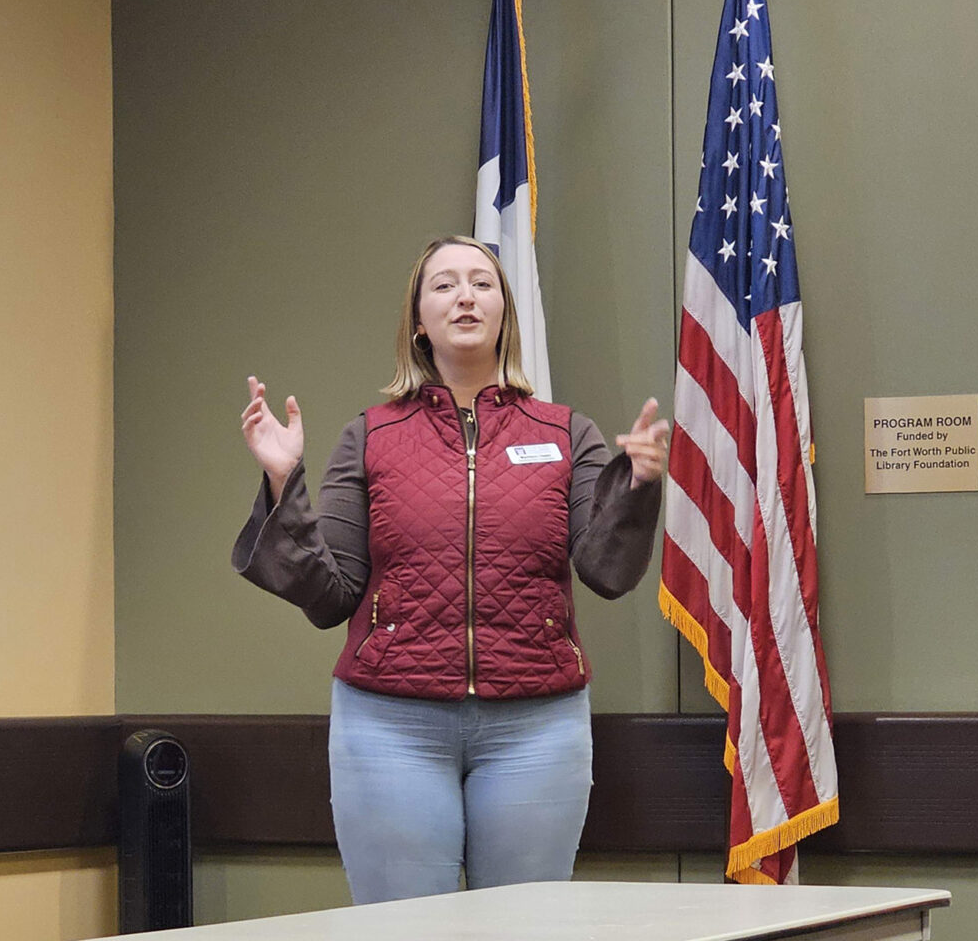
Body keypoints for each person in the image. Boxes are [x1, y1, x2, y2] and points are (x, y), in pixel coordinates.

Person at [232, 235, 668, 904]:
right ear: (418, 319)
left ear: (503, 312)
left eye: (482, 283)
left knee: (522, 926)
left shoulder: (563, 434)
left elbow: (606, 572)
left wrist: (636, 488)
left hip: (537, 726)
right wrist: (283, 481)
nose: (465, 295)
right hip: (389, 726)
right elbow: (331, 597)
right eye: (444, 285)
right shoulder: (370, 436)